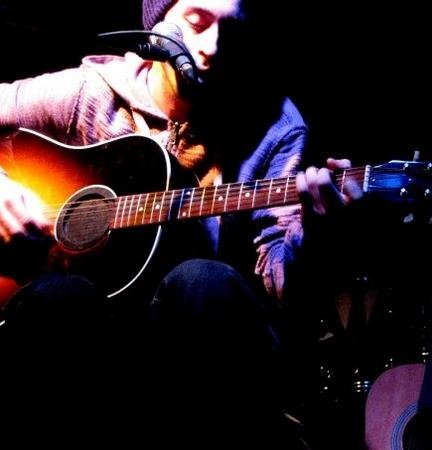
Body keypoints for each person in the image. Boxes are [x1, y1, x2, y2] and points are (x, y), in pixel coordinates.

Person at [0, 0, 362, 447]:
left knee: (202, 281)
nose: (213, 48)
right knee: (59, 299)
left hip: (198, 354)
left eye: (234, 32)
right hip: (94, 343)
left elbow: (282, 286)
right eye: (196, 22)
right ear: (158, 22)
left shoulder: (275, 128)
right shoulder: (91, 92)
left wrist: (316, 234)